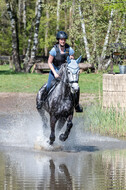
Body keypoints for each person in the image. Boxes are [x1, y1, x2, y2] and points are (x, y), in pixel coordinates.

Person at [37, 31, 83, 112]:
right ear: (58, 40)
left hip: (65, 73)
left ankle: (76, 105)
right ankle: (42, 102)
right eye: (61, 39)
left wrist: (72, 60)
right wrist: (54, 73)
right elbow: (49, 62)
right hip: (55, 71)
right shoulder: (54, 50)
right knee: (48, 86)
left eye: (64, 39)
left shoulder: (69, 49)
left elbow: (72, 60)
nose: (63, 41)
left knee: (76, 88)